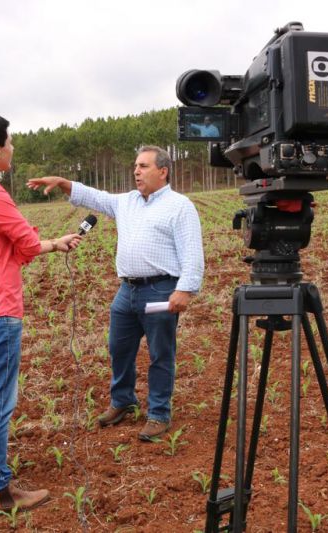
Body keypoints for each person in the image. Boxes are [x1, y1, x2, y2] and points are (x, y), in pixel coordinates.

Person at [0, 113, 82, 512]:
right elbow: (25, 245)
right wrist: (54, 243)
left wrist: (34, 243)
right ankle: (0, 492)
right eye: (10, 142)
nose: (13, 148)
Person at [27, 145, 204, 441]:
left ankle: (158, 413)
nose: (136, 171)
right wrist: (62, 182)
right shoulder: (127, 202)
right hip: (127, 290)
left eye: (144, 166)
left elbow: (192, 252)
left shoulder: (179, 205)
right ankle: (123, 401)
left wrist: (185, 289)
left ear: (163, 171)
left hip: (161, 288)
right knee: (118, 348)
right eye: (136, 165)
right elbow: (95, 197)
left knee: (161, 354)